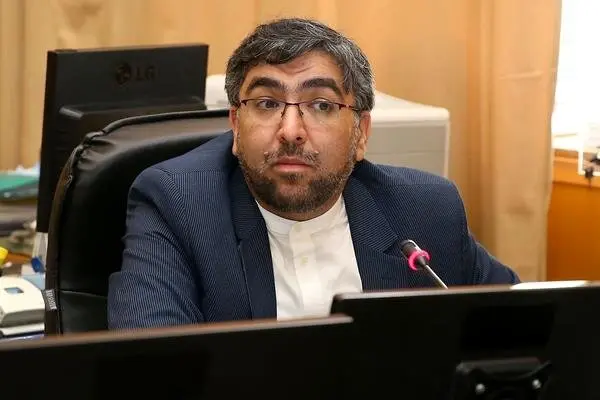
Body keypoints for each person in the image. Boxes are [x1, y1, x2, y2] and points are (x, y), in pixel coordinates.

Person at [107, 17, 519, 330]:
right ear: (235, 125)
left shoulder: (426, 210)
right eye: (267, 103)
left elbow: (525, 332)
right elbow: (153, 370)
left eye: (321, 105)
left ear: (361, 133)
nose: (290, 131)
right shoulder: (178, 204)